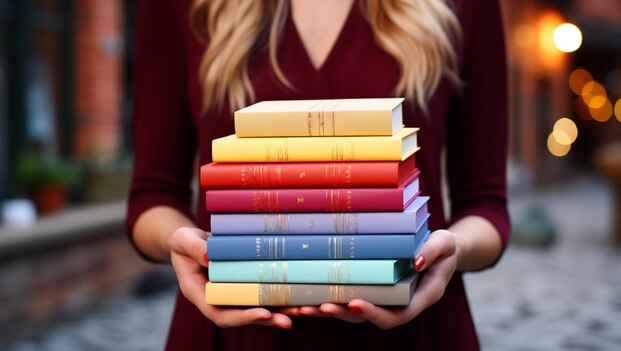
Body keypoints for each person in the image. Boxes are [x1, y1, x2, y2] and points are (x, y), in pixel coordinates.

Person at [126, 0, 509, 349]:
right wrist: (182, 244)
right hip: (236, 331)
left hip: (414, 324)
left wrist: (454, 248)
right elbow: (153, 195)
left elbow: (485, 203)